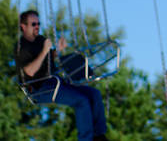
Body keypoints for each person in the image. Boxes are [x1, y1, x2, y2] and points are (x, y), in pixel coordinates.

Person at [15, 10, 108, 141]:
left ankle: (99, 136)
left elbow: (48, 59)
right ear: (23, 27)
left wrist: (57, 50)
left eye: (38, 24)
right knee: (81, 101)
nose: (37, 26)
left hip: (56, 82)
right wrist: (44, 51)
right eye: (33, 24)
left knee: (94, 94)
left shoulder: (40, 40)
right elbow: (29, 71)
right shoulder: (22, 47)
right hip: (39, 88)